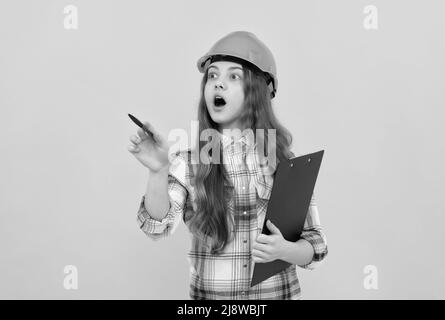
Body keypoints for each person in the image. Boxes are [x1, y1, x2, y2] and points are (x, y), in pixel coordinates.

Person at [128, 31, 328, 300]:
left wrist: (285, 251)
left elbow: (316, 243)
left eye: (233, 76)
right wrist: (158, 171)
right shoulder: (189, 163)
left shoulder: (285, 163)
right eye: (212, 75)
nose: (218, 84)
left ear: (258, 91)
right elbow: (156, 227)